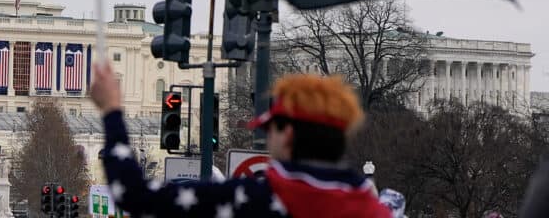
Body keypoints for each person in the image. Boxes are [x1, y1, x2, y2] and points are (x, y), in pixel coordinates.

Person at [89, 62, 391, 217]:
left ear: (287, 134)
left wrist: (112, 111)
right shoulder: (377, 209)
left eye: (269, 129)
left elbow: (135, 196)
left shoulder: (255, 200)